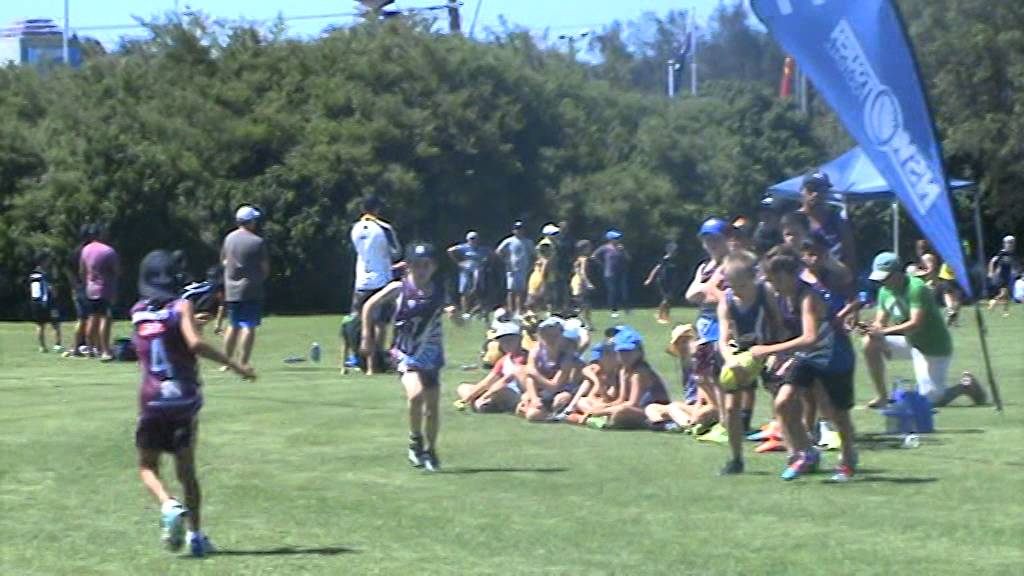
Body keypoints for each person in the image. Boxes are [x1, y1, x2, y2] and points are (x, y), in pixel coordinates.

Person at [131, 250, 255, 557]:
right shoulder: (181, 306)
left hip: (151, 399)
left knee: (147, 466)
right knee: (187, 471)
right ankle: (196, 536)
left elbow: (157, 338)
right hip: (184, 398)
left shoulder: (137, 312)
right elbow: (193, 343)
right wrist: (236, 365)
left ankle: (167, 503)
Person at [751, 248, 858, 482]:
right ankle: (807, 452)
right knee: (783, 402)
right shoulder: (782, 298)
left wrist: (767, 350)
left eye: (776, 279)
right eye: (770, 280)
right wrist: (782, 358)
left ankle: (848, 458)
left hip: (834, 355)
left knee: (837, 413)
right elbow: (791, 332)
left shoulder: (809, 297)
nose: (773, 285)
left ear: (791, 275)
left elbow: (810, 337)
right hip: (808, 356)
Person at [360, 243, 455, 472]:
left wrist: (457, 316)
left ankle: (431, 450)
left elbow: (456, 314)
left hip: (431, 356)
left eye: (426, 266)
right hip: (405, 353)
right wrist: (366, 335)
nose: (421, 270)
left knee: (432, 409)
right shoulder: (399, 288)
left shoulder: (440, 292)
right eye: (416, 266)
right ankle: (415, 440)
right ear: (408, 266)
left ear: (433, 267)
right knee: (415, 395)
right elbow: (369, 305)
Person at [861, 252, 986, 408]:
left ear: (898, 273)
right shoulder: (884, 292)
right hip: (910, 342)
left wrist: (883, 332)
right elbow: (880, 323)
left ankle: (966, 386)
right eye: (880, 278)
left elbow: (915, 323)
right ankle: (882, 396)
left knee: (930, 401)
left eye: (886, 277)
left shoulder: (916, 288)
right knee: (869, 343)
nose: (882, 281)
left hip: (933, 346)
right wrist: (871, 329)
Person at [716, 250, 780, 475]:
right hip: (741, 354)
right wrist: (730, 361)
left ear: (755, 277)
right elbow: (723, 339)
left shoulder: (766, 292)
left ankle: (797, 450)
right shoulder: (726, 300)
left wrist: (776, 353)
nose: (737, 291)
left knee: (783, 401)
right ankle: (736, 459)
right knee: (732, 408)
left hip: (768, 348)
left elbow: (779, 324)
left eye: (742, 285)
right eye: (731, 285)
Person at [684, 218, 730, 444]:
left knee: (717, 378)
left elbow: (718, 296)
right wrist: (707, 290)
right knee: (702, 377)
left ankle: (725, 423)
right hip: (704, 327)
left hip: (722, 328)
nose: (711, 243)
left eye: (716, 238)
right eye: (707, 238)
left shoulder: (730, 265)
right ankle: (719, 417)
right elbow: (691, 295)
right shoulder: (704, 267)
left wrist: (707, 291)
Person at [350, 195, 402, 370]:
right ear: (377, 209)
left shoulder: (355, 228)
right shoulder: (384, 228)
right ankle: (379, 358)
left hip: (361, 280)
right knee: (381, 323)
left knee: (361, 321)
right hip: (381, 280)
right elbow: (396, 252)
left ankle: (361, 358)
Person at [583, 327, 670, 429]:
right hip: (636, 408)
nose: (625, 356)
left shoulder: (640, 372)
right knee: (591, 403)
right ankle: (604, 419)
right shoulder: (623, 370)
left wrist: (602, 411)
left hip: (650, 409)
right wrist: (604, 406)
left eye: (629, 352)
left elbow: (633, 403)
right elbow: (621, 400)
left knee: (620, 412)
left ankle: (648, 423)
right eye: (621, 352)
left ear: (639, 352)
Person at [221, 205, 269, 371]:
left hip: (231, 289)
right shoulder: (257, 241)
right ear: (251, 222)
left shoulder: (229, 239)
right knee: (248, 325)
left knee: (232, 325)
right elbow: (265, 268)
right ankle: (243, 362)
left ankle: (226, 362)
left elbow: (225, 261)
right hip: (251, 288)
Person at [455, 319, 527, 413]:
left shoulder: (526, 357)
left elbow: (504, 381)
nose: (505, 343)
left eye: (510, 340)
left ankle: (483, 403)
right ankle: (484, 403)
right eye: (503, 340)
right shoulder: (504, 359)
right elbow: (487, 381)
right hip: (497, 390)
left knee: (501, 389)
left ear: (519, 339)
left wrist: (483, 395)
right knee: (463, 387)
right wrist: (469, 397)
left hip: (518, 393)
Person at [518, 317, 580, 422]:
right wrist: (534, 398)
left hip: (562, 390)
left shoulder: (567, 356)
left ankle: (559, 415)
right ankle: (550, 414)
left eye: (555, 335)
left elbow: (554, 386)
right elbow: (529, 378)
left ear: (561, 335)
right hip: (543, 390)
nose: (550, 339)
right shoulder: (536, 351)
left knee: (557, 402)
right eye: (547, 335)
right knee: (527, 411)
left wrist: (534, 373)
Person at [799, 172, 857, 269]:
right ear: (802, 191)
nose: (816, 194)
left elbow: (850, 255)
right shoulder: (794, 220)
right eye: (811, 189)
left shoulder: (837, 220)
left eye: (822, 190)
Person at [79, 223, 120, 361]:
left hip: (90, 288)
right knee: (105, 318)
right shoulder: (108, 251)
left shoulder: (85, 250)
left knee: (92, 317)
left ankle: (90, 349)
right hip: (105, 289)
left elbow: (82, 270)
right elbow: (116, 271)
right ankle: (105, 350)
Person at [63, 224, 94, 358]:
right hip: (88, 288)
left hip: (77, 288)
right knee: (91, 318)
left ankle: (76, 347)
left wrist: (74, 285)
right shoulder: (90, 252)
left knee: (81, 319)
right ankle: (90, 346)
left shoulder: (74, 252)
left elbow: (67, 269)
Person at [496, 221, 535, 316]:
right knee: (511, 291)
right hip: (512, 269)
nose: (519, 231)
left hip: (524, 269)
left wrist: (531, 265)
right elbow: (498, 251)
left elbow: (533, 254)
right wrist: (506, 261)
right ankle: (511, 310)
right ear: (513, 230)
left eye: (521, 229)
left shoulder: (528, 242)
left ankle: (519, 310)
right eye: (517, 229)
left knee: (521, 291)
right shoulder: (509, 241)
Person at [28, 253, 63, 353]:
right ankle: (54, 346)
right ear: (43, 260)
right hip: (48, 303)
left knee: (44, 324)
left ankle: (44, 346)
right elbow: (50, 289)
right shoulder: (43, 273)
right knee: (52, 324)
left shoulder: (36, 273)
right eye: (48, 260)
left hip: (39, 303)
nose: (49, 261)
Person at [448, 231, 488, 319]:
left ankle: (478, 311)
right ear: (468, 239)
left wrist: (483, 263)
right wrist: (459, 262)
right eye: (471, 239)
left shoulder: (482, 249)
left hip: (477, 272)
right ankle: (466, 312)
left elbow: (489, 256)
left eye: (475, 239)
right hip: (465, 272)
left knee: (478, 291)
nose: (473, 241)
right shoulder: (463, 247)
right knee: (465, 292)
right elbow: (450, 250)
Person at [592, 229, 630, 317]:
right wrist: (602, 264)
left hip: (621, 272)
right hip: (609, 273)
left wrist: (623, 251)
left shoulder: (621, 248)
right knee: (612, 292)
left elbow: (628, 259)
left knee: (623, 291)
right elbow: (594, 256)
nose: (618, 240)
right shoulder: (605, 248)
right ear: (610, 239)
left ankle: (626, 308)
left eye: (618, 238)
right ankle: (613, 310)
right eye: (616, 238)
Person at [644, 241, 679, 325]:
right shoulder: (665, 259)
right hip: (663, 281)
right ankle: (659, 316)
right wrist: (649, 279)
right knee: (665, 299)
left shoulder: (675, 260)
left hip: (670, 282)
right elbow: (656, 268)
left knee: (669, 299)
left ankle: (666, 316)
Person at [988, 235, 1019, 316]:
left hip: (1007, 275)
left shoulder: (1011, 253)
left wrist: (1014, 270)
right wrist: (991, 272)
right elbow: (992, 261)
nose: (1011, 244)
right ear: (1005, 243)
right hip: (1001, 276)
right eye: (1010, 243)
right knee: (1004, 293)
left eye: (1012, 243)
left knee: (1006, 294)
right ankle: (993, 302)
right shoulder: (1002, 252)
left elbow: (1011, 263)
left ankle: (1005, 311)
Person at [570, 240, 595, 326]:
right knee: (584, 303)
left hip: (575, 280)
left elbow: (575, 270)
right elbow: (583, 272)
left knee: (580, 303)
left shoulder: (577, 259)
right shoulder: (584, 259)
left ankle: (584, 322)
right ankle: (586, 323)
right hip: (580, 281)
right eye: (589, 247)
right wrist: (588, 283)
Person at [527, 240, 557, 313]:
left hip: (534, 281)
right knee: (542, 303)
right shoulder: (546, 261)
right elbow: (544, 274)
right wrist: (543, 287)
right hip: (542, 282)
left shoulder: (539, 259)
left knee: (532, 302)